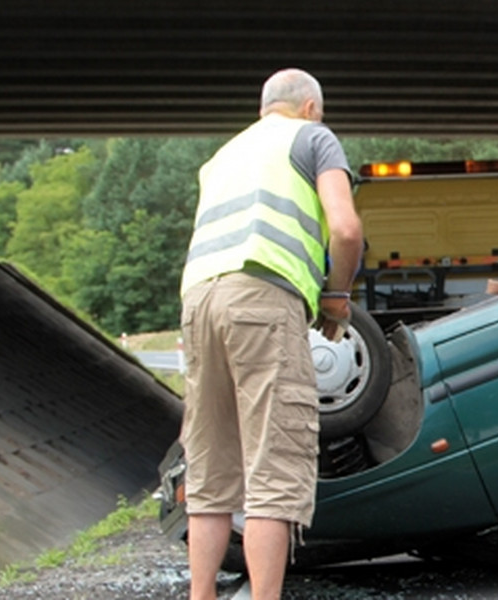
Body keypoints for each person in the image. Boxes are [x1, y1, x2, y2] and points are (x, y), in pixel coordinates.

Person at [177, 68, 363, 600]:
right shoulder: (312, 137)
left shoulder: (222, 157)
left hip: (199, 301)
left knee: (211, 467)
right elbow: (346, 229)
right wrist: (336, 295)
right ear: (310, 108)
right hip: (261, 296)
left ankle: (202, 594)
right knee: (274, 465)